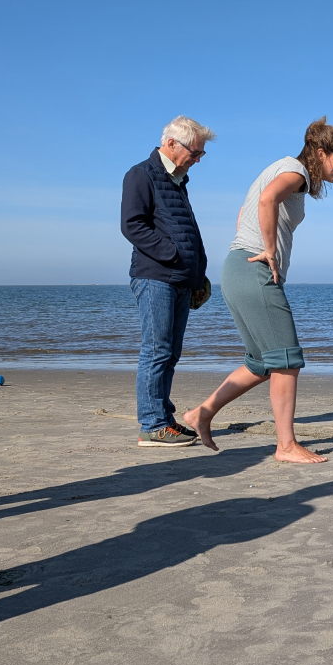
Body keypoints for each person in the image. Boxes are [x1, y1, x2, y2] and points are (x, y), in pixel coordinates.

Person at [184, 117, 333, 463]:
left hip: (237, 267)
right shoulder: (297, 172)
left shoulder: (280, 166)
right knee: (287, 360)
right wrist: (269, 250)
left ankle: (202, 413)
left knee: (261, 363)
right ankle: (286, 446)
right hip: (254, 269)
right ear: (321, 152)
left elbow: (247, 207)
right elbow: (267, 201)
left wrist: (251, 247)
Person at [120, 116, 215, 447]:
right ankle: (152, 424)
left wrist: (197, 272)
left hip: (181, 279)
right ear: (172, 143)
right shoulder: (141, 174)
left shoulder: (178, 179)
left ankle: (163, 418)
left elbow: (187, 230)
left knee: (170, 352)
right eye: (196, 152)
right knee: (157, 350)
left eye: (201, 154)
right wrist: (173, 254)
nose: (198, 158)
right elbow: (133, 225)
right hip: (155, 277)